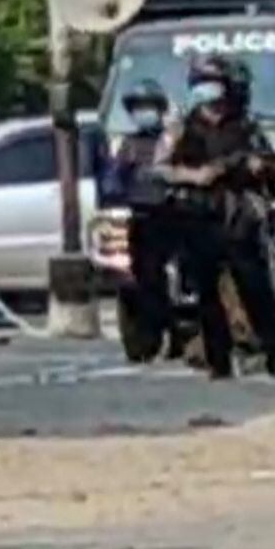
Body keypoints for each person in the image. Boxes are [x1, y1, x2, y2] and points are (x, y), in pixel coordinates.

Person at [156, 53, 275, 380]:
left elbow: (274, 167)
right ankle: (219, 360)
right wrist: (195, 175)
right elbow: (161, 168)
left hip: (237, 215)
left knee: (253, 285)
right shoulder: (184, 128)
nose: (210, 96)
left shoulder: (244, 126)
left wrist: (257, 168)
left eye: (214, 86)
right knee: (206, 292)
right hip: (198, 215)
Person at [105, 78, 182, 363]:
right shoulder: (129, 145)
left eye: (148, 106)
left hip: (174, 218)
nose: (143, 112)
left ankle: (178, 333)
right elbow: (113, 182)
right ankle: (148, 338)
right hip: (140, 219)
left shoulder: (172, 141)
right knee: (141, 281)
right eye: (138, 107)